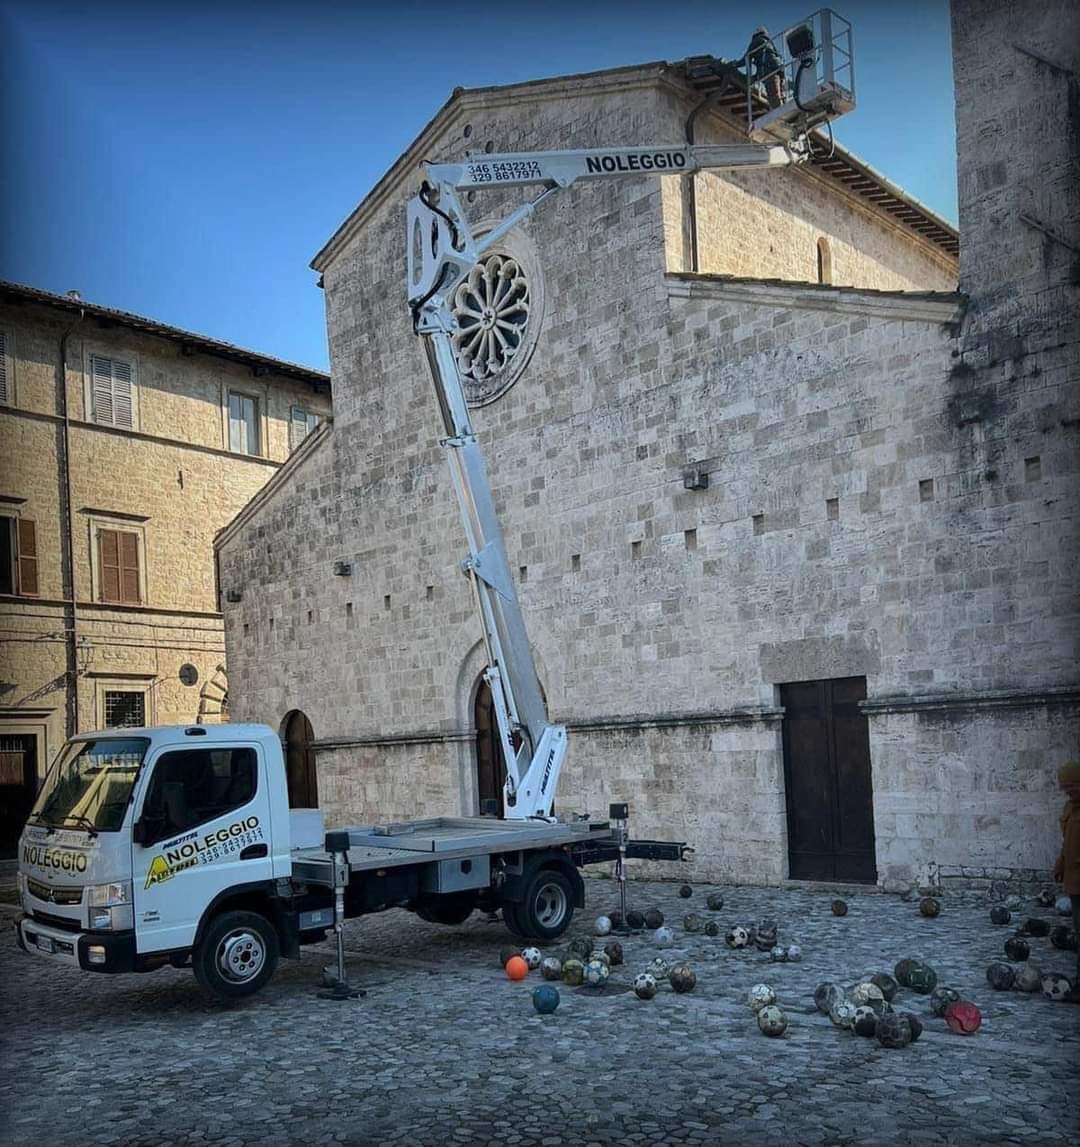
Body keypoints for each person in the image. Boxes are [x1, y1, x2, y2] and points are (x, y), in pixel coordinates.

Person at [1052, 759, 1080, 986]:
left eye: (1071, 786)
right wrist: (1060, 863)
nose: (1068, 791)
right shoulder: (1070, 808)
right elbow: (1067, 841)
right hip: (1074, 881)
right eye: (1065, 787)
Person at [746, 26, 785, 109]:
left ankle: (779, 112)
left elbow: (746, 58)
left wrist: (734, 64)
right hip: (778, 71)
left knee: (774, 98)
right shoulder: (768, 43)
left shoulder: (757, 41)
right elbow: (765, 61)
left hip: (770, 73)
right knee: (780, 96)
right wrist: (756, 77)